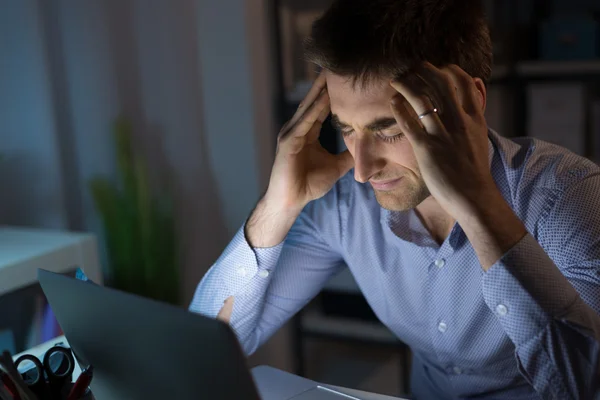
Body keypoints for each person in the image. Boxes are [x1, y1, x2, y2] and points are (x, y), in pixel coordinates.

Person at [189, 0, 600, 398]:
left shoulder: (568, 197)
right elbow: (207, 347)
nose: (364, 169)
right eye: (347, 129)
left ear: (467, 101)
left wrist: (478, 206)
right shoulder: (347, 203)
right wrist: (277, 205)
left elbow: (586, 385)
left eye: (389, 130)